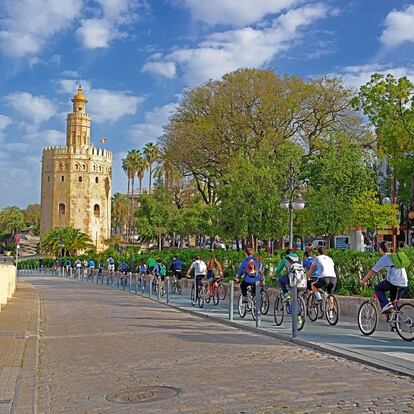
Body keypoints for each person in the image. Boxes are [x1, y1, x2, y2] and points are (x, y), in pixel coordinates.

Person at [361, 241, 408, 313]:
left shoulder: (385, 257)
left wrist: (363, 281)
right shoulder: (394, 256)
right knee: (394, 304)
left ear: (381, 249)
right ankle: (397, 321)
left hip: (394, 282)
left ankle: (386, 305)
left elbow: (372, 271)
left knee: (378, 288)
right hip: (404, 283)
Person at [308, 247, 337, 314]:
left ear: (318, 252)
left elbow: (311, 270)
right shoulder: (330, 259)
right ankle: (331, 314)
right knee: (330, 295)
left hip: (324, 278)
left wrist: (307, 277)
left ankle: (319, 298)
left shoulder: (317, 258)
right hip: (333, 278)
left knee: (313, 286)